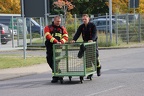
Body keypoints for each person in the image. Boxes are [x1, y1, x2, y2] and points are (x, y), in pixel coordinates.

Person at [44, 16, 68, 83]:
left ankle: (55, 76)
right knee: (49, 60)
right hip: (50, 46)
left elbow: (66, 36)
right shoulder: (48, 27)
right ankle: (59, 73)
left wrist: (62, 42)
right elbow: (47, 35)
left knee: (56, 61)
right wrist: (55, 41)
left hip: (58, 47)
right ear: (54, 21)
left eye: (59, 21)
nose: (58, 23)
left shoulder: (62, 28)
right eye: (57, 21)